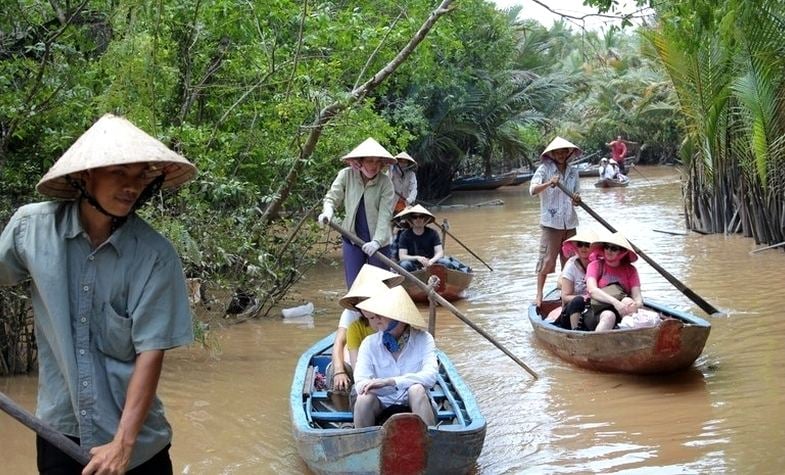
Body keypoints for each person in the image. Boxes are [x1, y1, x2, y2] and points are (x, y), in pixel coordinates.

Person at [0, 114, 197, 474]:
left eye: (140, 176)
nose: (131, 186)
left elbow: (150, 355)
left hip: (137, 447)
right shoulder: (31, 230)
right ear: (86, 175)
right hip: (60, 433)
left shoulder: (154, 257)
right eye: (119, 172)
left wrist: (123, 444)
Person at [353, 285, 438, 428]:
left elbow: (430, 376)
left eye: (380, 315)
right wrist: (382, 387)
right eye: (372, 317)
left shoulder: (424, 338)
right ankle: (363, 445)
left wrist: (391, 382)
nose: (375, 321)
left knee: (416, 389)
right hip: (381, 404)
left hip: (416, 403)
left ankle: (429, 442)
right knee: (363, 399)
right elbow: (360, 383)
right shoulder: (369, 344)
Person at [318, 138, 397, 288]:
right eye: (369, 161)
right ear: (359, 162)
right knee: (355, 287)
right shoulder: (346, 175)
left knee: (380, 287)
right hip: (352, 238)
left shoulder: (385, 183)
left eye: (377, 161)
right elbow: (332, 197)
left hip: (378, 243)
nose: (374, 166)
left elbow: (385, 216)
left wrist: (377, 242)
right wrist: (327, 212)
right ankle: (355, 311)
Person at [329, 264, 403, 395]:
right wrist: (339, 371)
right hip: (362, 369)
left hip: (393, 372)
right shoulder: (354, 323)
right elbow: (340, 343)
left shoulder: (397, 315)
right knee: (336, 374)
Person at [529, 136, 582, 309]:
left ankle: (566, 295)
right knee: (546, 261)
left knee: (571, 261)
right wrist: (548, 183)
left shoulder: (573, 172)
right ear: (552, 154)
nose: (560, 155)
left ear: (568, 153)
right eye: (557, 152)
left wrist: (576, 200)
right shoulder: (544, 169)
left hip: (570, 223)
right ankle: (539, 294)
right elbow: (532, 190)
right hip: (551, 224)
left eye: (563, 152)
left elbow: (576, 195)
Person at [584, 232, 644, 331]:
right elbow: (592, 290)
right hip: (596, 309)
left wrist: (635, 305)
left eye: (614, 248)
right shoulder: (595, 265)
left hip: (623, 310)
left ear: (622, 252)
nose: (609, 251)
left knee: (628, 301)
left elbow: (637, 297)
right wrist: (615, 302)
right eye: (607, 247)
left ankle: (629, 337)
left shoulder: (630, 270)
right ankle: (597, 344)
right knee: (609, 316)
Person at [546, 228, 597, 330]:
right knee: (578, 300)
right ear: (576, 247)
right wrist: (585, 298)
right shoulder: (571, 266)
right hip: (570, 313)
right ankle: (576, 332)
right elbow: (565, 297)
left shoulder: (598, 265)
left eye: (587, 245)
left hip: (592, 309)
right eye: (580, 244)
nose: (583, 248)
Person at [394, 204, 453, 272]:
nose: (418, 219)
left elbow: (440, 252)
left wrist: (431, 261)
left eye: (421, 216)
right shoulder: (404, 235)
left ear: (424, 218)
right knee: (404, 264)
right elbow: (402, 256)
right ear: (411, 219)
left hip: (431, 262)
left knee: (446, 263)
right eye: (414, 217)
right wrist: (417, 258)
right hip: (413, 264)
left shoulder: (433, 233)